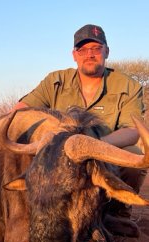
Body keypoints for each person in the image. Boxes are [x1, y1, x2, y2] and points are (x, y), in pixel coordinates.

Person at [13, 24, 147, 226]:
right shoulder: (55, 81)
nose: (89, 54)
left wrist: (91, 145)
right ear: (74, 55)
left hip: (104, 152)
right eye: (82, 50)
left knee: (135, 157)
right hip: (59, 157)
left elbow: (131, 131)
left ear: (106, 51)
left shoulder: (128, 86)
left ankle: (117, 211)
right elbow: (20, 111)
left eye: (96, 48)